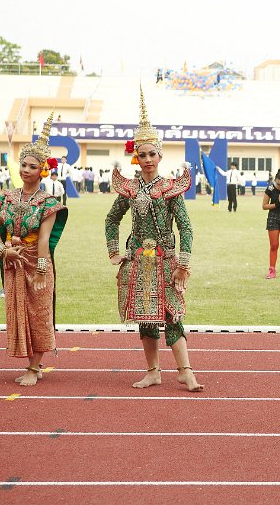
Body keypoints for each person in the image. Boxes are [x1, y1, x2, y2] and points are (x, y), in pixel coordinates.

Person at [105, 88, 202, 392]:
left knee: (172, 315)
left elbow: (185, 227)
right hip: (138, 262)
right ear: (137, 157)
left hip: (165, 260)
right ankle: (153, 371)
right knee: (145, 320)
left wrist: (183, 263)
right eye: (142, 154)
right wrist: (114, 252)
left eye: (152, 154)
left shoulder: (172, 188)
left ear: (161, 155)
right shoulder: (130, 189)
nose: (147, 159)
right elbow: (111, 219)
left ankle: (185, 371)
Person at [0, 112, 68, 386]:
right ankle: (34, 364)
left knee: (40, 312)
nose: (26, 170)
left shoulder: (48, 202)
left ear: (43, 170)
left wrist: (43, 270)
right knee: (19, 311)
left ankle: (34, 369)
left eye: (32, 166)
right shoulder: (7, 197)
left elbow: (44, 239)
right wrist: (2, 250)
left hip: (37, 261)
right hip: (12, 261)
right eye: (23, 165)